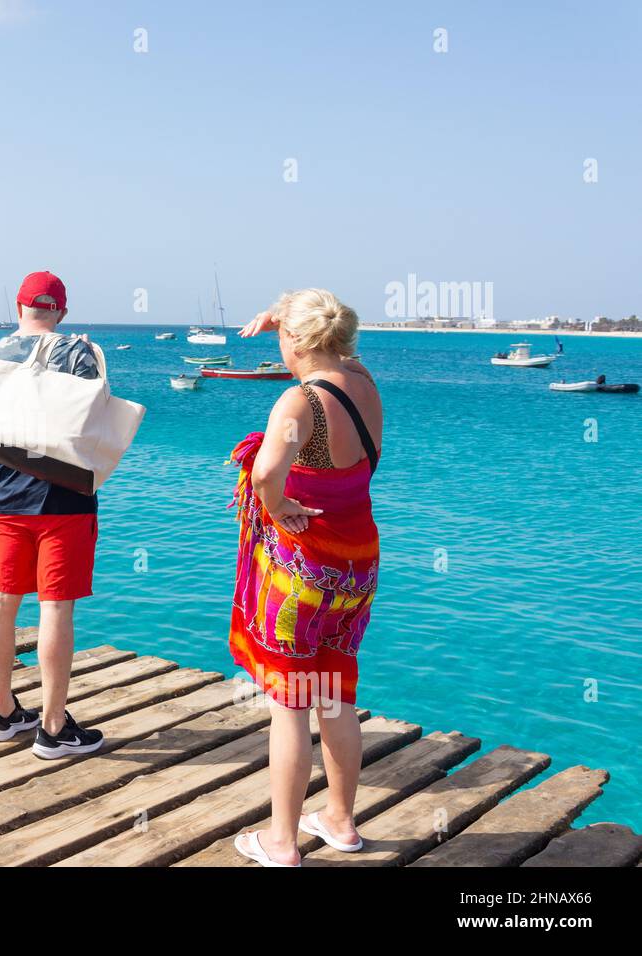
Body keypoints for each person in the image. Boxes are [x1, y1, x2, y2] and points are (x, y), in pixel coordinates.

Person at [226, 289, 383, 867]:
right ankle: (340, 821)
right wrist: (285, 318)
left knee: (291, 704)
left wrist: (277, 504)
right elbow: (337, 350)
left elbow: (267, 472)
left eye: (282, 336)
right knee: (335, 692)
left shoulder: (300, 402)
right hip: (357, 564)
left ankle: (282, 842)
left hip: (303, 570)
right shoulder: (362, 383)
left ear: (294, 339)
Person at [0, 270, 105, 760]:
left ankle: (3, 712)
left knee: (2, 600)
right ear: (61, 310)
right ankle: (53, 726)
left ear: (18, 309)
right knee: (56, 607)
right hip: (64, 501)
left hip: (7, 502)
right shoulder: (79, 353)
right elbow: (96, 426)